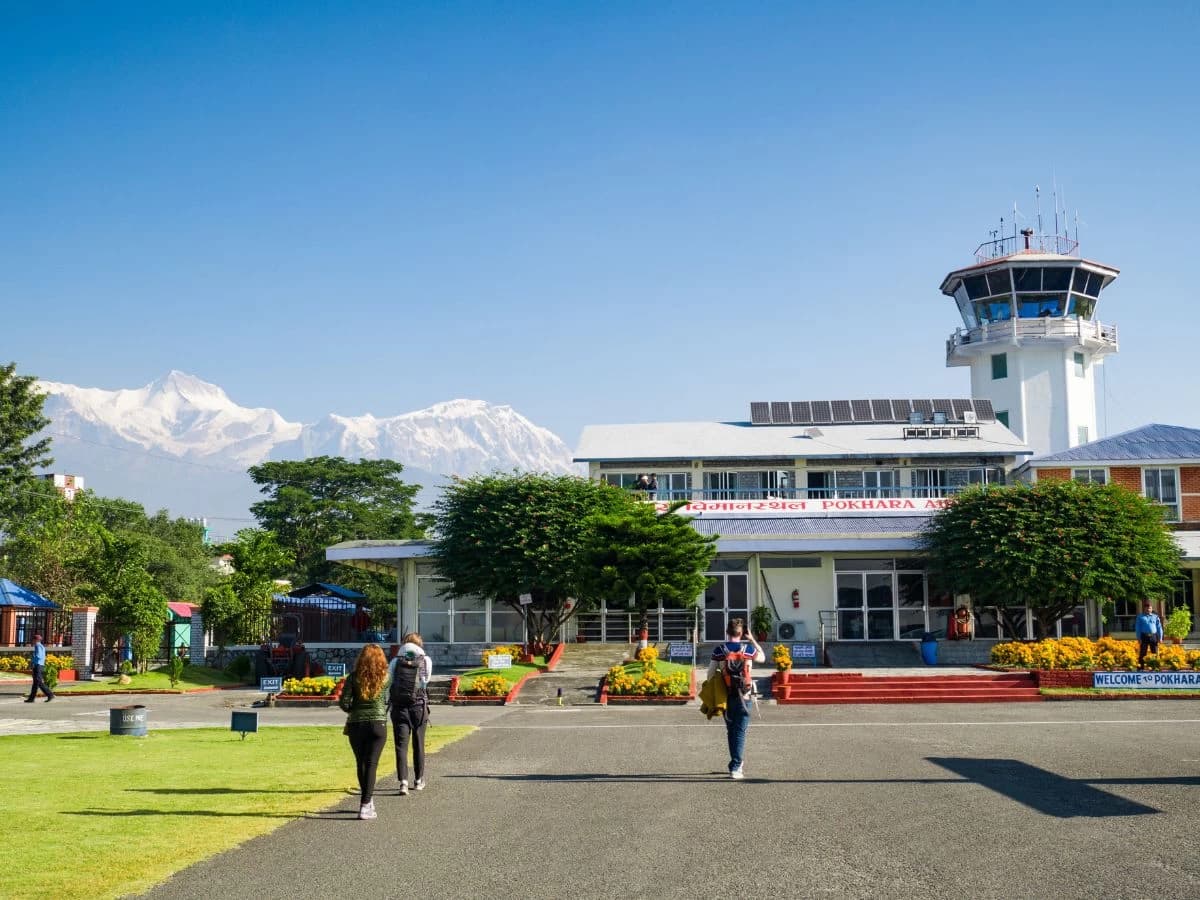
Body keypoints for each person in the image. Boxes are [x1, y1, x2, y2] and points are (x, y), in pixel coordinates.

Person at [706, 618, 764, 779]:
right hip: (745, 696)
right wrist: (752, 639)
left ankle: (735, 764)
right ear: (742, 633)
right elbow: (762, 657)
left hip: (726, 696)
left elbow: (710, 674)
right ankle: (736, 766)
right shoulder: (748, 650)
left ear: (727, 632)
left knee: (731, 730)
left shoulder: (719, 650)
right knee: (740, 732)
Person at [339, 643, 390, 820]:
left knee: (361, 762)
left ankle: (367, 800)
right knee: (371, 763)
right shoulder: (386, 678)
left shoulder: (353, 677)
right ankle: (366, 803)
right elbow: (386, 698)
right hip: (378, 723)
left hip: (356, 724)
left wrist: (354, 710)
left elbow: (344, 702)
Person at [388, 632, 433, 796]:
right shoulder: (425, 660)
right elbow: (425, 681)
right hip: (419, 706)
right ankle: (419, 780)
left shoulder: (395, 661)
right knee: (419, 743)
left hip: (399, 707)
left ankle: (403, 782)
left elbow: (389, 681)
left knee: (401, 745)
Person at [25, 633, 54, 703]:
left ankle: (50, 694)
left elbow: (38, 656)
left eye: (33, 640)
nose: (32, 641)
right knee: (35, 683)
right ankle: (31, 698)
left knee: (38, 682)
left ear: (36, 640)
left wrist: (32, 660)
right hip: (40, 665)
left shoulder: (37, 646)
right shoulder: (41, 646)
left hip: (38, 665)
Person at [1135, 600, 1164, 670]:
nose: (1148, 609)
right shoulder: (1140, 617)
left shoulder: (1155, 617)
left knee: (1155, 652)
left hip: (1153, 636)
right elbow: (1138, 628)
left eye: (1150, 608)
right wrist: (1139, 638)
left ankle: (1155, 667)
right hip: (1144, 636)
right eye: (1147, 608)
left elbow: (1159, 627)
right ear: (1144, 609)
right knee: (1143, 653)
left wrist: (1160, 637)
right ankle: (1140, 668)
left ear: (1151, 609)